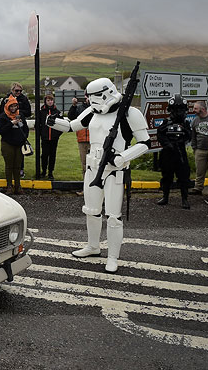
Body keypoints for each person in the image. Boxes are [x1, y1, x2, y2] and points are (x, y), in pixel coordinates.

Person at [47, 76, 150, 273]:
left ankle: (112, 257)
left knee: (113, 216)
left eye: (95, 97)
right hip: (93, 167)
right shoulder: (92, 111)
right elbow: (72, 125)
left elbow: (145, 143)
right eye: (90, 97)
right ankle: (93, 246)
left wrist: (122, 157)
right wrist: (53, 122)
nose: (92, 101)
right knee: (91, 210)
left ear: (106, 93)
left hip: (115, 171)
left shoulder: (129, 113)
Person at [156, 94, 191, 209]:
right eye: (177, 109)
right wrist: (168, 144)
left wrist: (181, 140)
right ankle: (165, 197)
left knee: (183, 177)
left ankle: (184, 199)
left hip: (180, 152)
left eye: (181, 109)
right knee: (166, 176)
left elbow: (189, 135)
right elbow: (160, 134)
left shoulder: (185, 123)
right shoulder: (166, 122)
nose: (179, 112)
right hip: (168, 153)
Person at [0, 95, 29, 194]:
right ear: (7, 106)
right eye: (11, 106)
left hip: (19, 143)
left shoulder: (21, 115)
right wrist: (11, 123)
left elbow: (26, 128)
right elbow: (1, 131)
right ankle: (9, 186)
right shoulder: (3, 116)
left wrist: (24, 137)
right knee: (9, 165)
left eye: (15, 106)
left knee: (18, 166)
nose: (13, 108)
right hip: (8, 143)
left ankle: (18, 186)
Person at [0, 83, 32, 177]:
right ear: (12, 90)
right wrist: (10, 117)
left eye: (20, 91)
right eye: (16, 91)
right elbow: (2, 112)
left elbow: (28, 112)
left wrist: (18, 113)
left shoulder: (24, 99)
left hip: (20, 124)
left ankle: (21, 169)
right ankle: (10, 172)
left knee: (20, 152)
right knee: (9, 153)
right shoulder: (6, 99)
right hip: (9, 125)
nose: (18, 92)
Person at [68, 96, 91, 195]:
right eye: (85, 97)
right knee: (84, 165)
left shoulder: (97, 108)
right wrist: (73, 106)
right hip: (82, 139)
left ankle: (95, 189)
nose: (86, 99)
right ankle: (86, 189)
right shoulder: (79, 108)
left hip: (94, 140)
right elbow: (71, 117)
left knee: (95, 165)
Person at [39, 94, 62, 179]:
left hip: (54, 138)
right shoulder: (41, 112)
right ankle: (43, 171)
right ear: (45, 101)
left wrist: (57, 134)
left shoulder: (57, 112)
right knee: (44, 155)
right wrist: (41, 134)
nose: (50, 102)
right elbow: (38, 125)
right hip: (45, 138)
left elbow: (62, 125)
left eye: (51, 100)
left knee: (52, 155)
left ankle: (50, 172)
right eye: (48, 100)